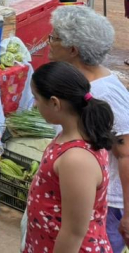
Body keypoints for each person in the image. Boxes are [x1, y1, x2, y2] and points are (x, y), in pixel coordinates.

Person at [45, 6, 129, 251]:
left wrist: (128, 214)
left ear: (73, 50)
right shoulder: (84, 83)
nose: (49, 43)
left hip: (106, 204)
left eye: (54, 38)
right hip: (86, 194)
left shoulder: (103, 92)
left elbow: (126, 153)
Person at [25, 61, 115, 253]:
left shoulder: (77, 159)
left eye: (36, 98)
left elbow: (73, 233)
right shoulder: (67, 136)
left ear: (55, 103)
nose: (34, 104)